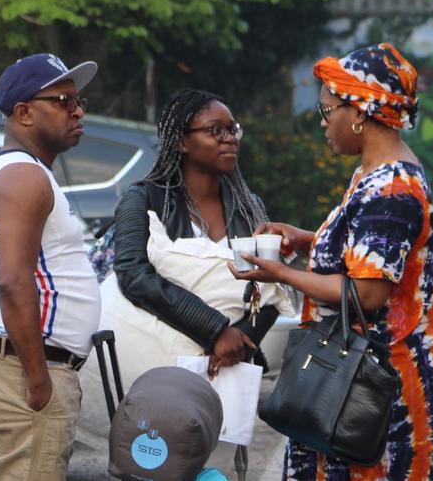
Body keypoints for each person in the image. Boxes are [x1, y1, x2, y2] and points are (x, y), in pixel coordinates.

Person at [229, 43, 433, 480]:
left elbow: (366, 293)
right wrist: (308, 239)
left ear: (360, 113)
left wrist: (281, 274)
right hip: (352, 379)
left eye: (327, 112)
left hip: (372, 392)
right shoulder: (373, 174)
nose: (324, 124)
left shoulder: (392, 189)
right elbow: (368, 258)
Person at [78, 88, 292, 477]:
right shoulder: (143, 198)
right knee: (160, 464)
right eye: (215, 130)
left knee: (214, 466)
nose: (229, 139)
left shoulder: (249, 205)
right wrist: (214, 328)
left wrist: (240, 341)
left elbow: (271, 291)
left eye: (233, 130)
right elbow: (134, 274)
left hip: (222, 369)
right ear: (182, 141)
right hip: (152, 367)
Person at [0, 53, 101, 481]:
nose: (77, 111)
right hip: (23, 367)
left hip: (17, 361)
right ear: (23, 113)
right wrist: (39, 380)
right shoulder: (24, 178)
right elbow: (14, 283)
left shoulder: (24, 172)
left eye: (79, 101)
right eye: (62, 100)